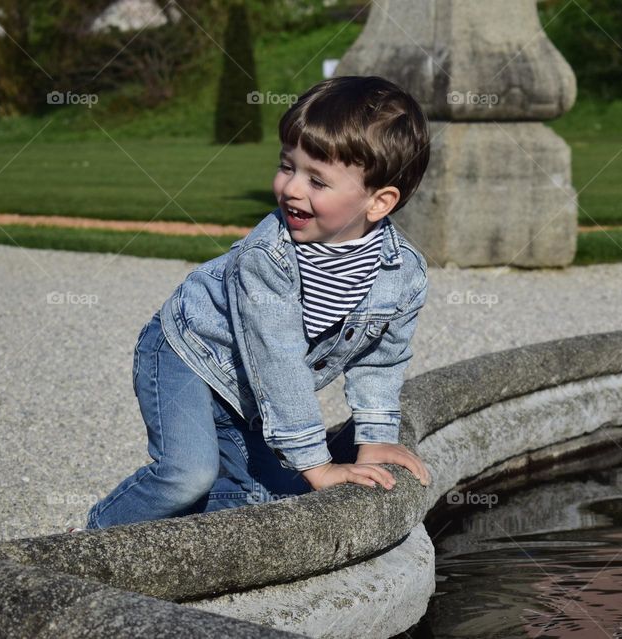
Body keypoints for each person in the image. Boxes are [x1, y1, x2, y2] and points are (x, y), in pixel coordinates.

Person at [84, 75, 433, 530]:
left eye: (317, 180)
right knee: (186, 477)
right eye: (287, 166)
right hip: (188, 355)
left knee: (280, 499)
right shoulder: (266, 257)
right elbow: (279, 361)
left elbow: (381, 361)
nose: (291, 188)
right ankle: (90, 541)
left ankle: (175, 531)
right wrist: (318, 464)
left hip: (247, 392)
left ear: (379, 202)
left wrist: (376, 438)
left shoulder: (402, 274)